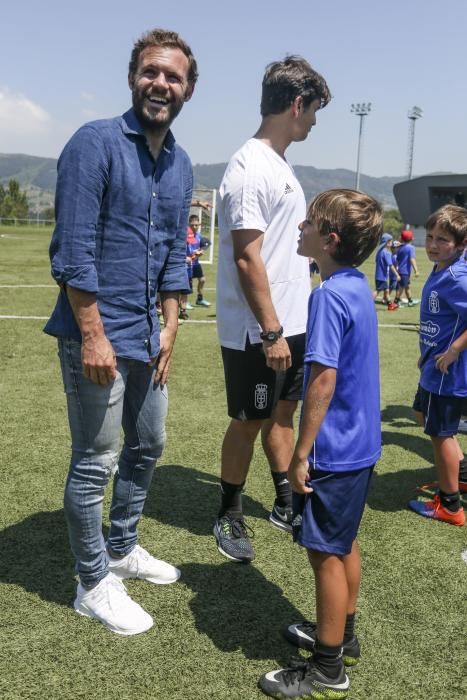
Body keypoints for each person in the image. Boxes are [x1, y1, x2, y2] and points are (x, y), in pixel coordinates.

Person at [44, 28, 198, 635]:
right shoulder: (95, 144)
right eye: (151, 72)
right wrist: (92, 335)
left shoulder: (181, 161)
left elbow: (172, 259)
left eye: (173, 76)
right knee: (95, 460)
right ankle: (91, 582)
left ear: (188, 89)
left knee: (149, 444)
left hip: (148, 335)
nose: (161, 84)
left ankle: (121, 546)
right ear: (133, 76)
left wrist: (170, 328)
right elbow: (73, 250)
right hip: (99, 334)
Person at [259, 189, 384, 700]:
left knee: (324, 555)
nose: (299, 230)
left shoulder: (328, 295)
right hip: (362, 444)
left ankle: (328, 667)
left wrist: (301, 453)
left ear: (329, 240)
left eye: (308, 224)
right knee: (344, 541)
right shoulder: (355, 285)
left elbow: (323, 380)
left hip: (333, 450)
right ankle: (342, 634)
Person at [214, 56, 331, 563]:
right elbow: (247, 254)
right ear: (297, 104)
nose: (314, 122)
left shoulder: (281, 166)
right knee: (248, 420)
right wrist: (270, 330)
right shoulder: (249, 166)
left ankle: (287, 503)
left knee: (282, 413)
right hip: (259, 332)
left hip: (292, 324)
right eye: (314, 110)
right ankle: (229, 513)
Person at [408, 204, 467, 526]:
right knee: (422, 415)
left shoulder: (457, 277)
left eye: (442, 240)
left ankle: (450, 505)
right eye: (430, 236)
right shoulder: (440, 267)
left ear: (461, 244)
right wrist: (429, 350)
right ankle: (462, 474)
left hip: (447, 373)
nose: (432, 244)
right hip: (433, 365)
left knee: (441, 434)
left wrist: (454, 350)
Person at [188, 213, 211, 307]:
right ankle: (185, 302)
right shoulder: (185, 236)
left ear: (199, 225)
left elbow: (206, 244)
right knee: (187, 284)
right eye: (192, 225)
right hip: (187, 264)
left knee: (202, 280)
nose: (194, 227)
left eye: (196, 225)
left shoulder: (199, 236)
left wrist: (201, 250)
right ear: (189, 225)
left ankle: (200, 298)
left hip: (195, 263)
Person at [393, 228, 419, 306]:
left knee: (407, 286)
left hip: (401, 270)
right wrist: (416, 270)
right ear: (411, 238)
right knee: (401, 287)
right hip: (405, 271)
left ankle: (410, 301)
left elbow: (397, 260)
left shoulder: (400, 248)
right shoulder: (411, 248)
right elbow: (412, 259)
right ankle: (395, 302)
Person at [373, 232, 400, 306]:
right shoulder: (387, 253)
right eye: (391, 241)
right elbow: (391, 266)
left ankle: (390, 305)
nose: (392, 243)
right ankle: (369, 303)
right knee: (378, 290)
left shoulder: (380, 252)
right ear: (387, 242)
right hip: (382, 276)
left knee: (386, 290)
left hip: (379, 275)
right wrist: (397, 275)